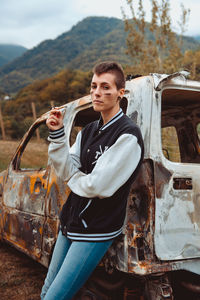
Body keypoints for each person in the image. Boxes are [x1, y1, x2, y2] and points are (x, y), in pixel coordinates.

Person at [41, 61, 144, 300]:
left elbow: (97, 186)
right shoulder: (88, 130)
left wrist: (73, 177)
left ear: (121, 92)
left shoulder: (128, 135)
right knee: (47, 290)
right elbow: (67, 167)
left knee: (54, 297)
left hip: (97, 229)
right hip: (71, 220)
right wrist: (57, 136)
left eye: (105, 87)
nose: (97, 92)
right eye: (94, 86)